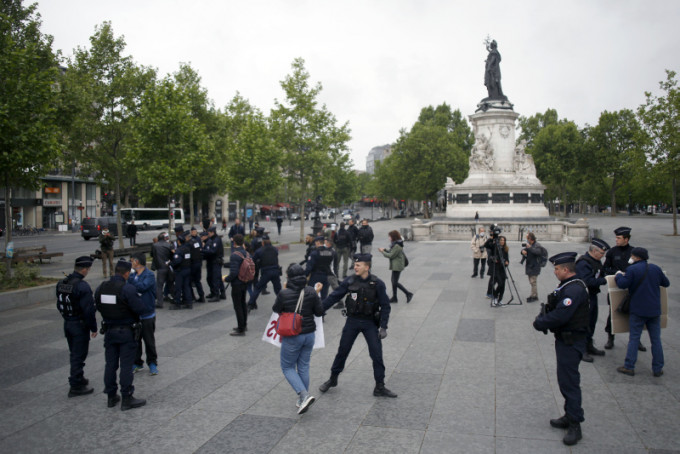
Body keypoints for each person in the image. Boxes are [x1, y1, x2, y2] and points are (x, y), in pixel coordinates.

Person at [318, 254, 397, 398]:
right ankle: (333, 379)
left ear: (367, 267)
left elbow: (385, 306)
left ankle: (380, 386)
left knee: (377, 354)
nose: (355, 267)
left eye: (358, 265)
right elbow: (334, 296)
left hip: (370, 323)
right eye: (355, 265)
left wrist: (383, 327)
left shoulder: (377, 283)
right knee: (343, 351)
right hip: (352, 321)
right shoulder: (349, 281)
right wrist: (319, 309)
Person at [532, 252, 589, 446]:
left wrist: (540, 322)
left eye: (556, 269)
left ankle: (575, 423)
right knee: (565, 380)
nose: (555, 272)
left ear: (566, 270)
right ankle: (569, 414)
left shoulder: (573, 290)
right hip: (566, 339)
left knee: (569, 382)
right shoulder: (569, 285)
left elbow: (561, 316)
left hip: (571, 341)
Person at [95, 259, 147, 411]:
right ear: (126, 273)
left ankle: (111, 396)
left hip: (110, 330)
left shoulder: (102, 287)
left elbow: (97, 304)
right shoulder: (127, 289)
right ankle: (126, 397)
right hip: (126, 331)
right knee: (126, 365)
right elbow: (140, 309)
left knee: (110, 364)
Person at [272, 264, 325, 414]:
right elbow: (320, 312)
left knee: (287, 367)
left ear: (288, 277)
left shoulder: (284, 293)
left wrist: (284, 291)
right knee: (303, 366)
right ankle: (303, 399)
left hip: (293, 335)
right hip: (309, 335)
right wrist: (317, 293)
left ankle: (304, 395)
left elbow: (276, 309)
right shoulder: (311, 291)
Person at [615, 247, 670, 377]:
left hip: (638, 310)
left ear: (636, 257)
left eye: (632, 256)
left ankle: (629, 366)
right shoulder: (655, 268)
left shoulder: (632, 270)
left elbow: (622, 284)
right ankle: (657, 368)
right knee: (656, 340)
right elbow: (666, 283)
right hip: (654, 310)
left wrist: (617, 275)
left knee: (634, 338)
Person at [57, 256, 98, 397]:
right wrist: (93, 327)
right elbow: (88, 310)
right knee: (78, 354)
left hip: (68, 322)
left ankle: (79, 377)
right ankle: (75, 385)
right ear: (85, 269)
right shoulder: (82, 286)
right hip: (78, 324)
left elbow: (60, 303)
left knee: (75, 352)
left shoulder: (62, 283)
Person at [603, 227, 645, 351]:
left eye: (619, 238)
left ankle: (636, 340)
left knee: (635, 314)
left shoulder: (634, 252)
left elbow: (641, 268)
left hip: (632, 288)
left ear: (626, 239)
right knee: (613, 313)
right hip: (616, 287)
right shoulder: (612, 252)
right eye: (616, 238)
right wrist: (616, 272)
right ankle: (610, 338)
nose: (616, 240)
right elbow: (605, 269)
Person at [575, 238, 610, 363]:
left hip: (593, 295)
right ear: (594, 251)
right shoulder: (583, 263)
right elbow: (586, 281)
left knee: (592, 321)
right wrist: (604, 281)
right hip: (585, 297)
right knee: (585, 322)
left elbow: (601, 273)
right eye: (601, 253)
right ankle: (582, 348)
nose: (603, 256)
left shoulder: (596, 261)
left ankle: (589, 345)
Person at [129, 253, 158, 376]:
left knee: (149, 340)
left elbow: (143, 287)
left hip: (147, 313)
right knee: (135, 340)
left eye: (131, 261)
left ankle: (152, 363)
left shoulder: (149, 275)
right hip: (135, 314)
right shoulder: (133, 275)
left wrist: (130, 281)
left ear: (137, 261)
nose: (130, 263)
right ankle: (137, 362)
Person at [224, 234, 250, 336]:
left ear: (234, 243)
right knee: (243, 303)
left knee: (238, 306)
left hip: (237, 283)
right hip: (245, 281)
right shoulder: (247, 254)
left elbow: (234, 272)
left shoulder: (235, 255)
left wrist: (226, 279)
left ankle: (241, 329)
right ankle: (244, 324)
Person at [248, 235, 282, 311]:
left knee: (257, 288)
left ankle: (250, 304)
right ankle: (283, 304)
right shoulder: (275, 249)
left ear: (262, 242)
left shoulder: (259, 251)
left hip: (266, 272)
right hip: (275, 271)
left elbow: (253, 260)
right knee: (278, 290)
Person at [379, 230, 413, 303]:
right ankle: (394, 297)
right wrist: (385, 250)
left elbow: (391, 255)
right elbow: (392, 252)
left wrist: (382, 252)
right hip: (395, 265)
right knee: (393, 281)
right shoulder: (395, 244)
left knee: (395, 282)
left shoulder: (397, 245)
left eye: (390, 236)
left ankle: (408, 293)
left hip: (397, 266)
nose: (389, 238)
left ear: (393, 237)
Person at [305, 236, 334, 300]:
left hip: (315, 276)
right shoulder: (329, 252)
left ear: (318, 243)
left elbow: (309, 267)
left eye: (315, 242)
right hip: (325, 276)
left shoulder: (314, 253)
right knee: (323, 296)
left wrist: (305, 276)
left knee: (312, 295)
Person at [169, 232, 192, 310]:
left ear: (179, 242)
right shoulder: (187, 249)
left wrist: (171, 263)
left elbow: (177, 261)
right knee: (186, 286)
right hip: (187, 269)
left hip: (180, 271)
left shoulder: (179, 250)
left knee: (178, 287)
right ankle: (189, 302)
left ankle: (177, 303)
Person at [484, 233, 509, 306]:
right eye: (501, 240)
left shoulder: (505, 249)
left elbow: (507, 259)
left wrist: (507, 262)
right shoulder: (495, 247)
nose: (502, 241)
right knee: (498, 283)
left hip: (503, 268)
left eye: (503, 240)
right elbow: (486, 245)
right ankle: (495, 297)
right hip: (496, 268)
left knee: (503, 285)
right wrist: (491, 238)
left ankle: (500, 299)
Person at [203, 226, 226, 302]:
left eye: (209, 233)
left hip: (216, 261)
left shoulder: (216, 240)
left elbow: (213, 251)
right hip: (211, 261)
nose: (208, 234)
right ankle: (219, 293)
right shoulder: (211, 239)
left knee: (215, 278)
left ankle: (216, 295)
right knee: (213, 278)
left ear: (213, 232)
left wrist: (203, 251)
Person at [521, 232, 545, 302]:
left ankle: (534, 296)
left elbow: (537, 252)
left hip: (534, 266)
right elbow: (525, 250)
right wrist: (522, 251)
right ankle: (533, 295)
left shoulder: (537, 245)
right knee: (532, 282)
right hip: (530, 266)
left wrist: (530, 248)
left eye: (527, 238)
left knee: (533, 282)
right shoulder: (530, 245)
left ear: (530, 238)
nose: (526, 240)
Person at [152, 232, 173, 308]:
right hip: (168, 266)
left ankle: (160, 302)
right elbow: (172, 255)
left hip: (160, 267)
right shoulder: (169, 245)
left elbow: (152, 255)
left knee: (159, 286)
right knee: (170, 283)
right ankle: (175, 298)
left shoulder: (154, 245)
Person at [188, 227, 206, 303]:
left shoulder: (190, 242)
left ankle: (193, 297)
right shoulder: (196, 241)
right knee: (197, 281)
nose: (194, 233)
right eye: (193, 231)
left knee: (190, 281)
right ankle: (201, 296)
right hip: (198, 263)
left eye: (195, 231)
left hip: (193, 264)